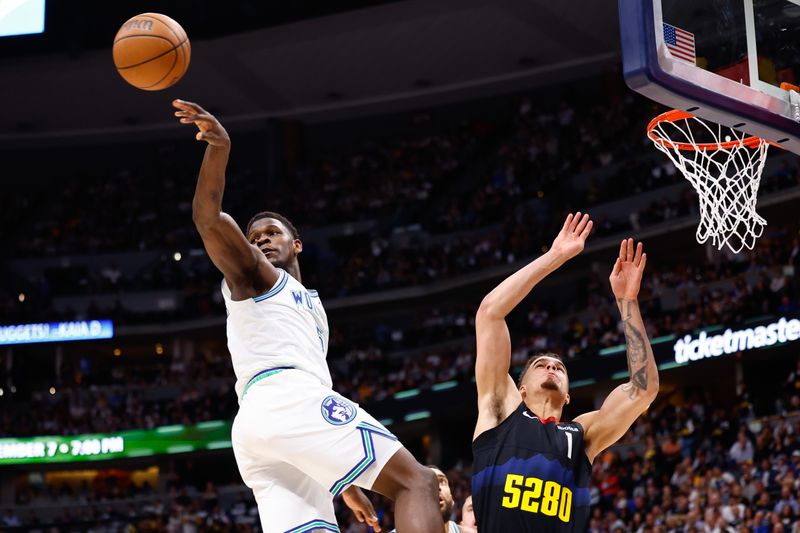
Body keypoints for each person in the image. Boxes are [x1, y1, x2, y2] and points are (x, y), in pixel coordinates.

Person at [174, 99, 442, 533]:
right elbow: (208, 219)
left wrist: (338, 476)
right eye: (253, 236)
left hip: (266, 428)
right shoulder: (255, 277)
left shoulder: (310, 302)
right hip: (285, 398)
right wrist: (219, 149)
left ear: (297, 245)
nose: (260, 241)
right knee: (419, 482)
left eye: (271, 233)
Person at [471, 213, 658, 532]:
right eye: (539, 364)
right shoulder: (501, 411)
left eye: (558, 366)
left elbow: (643, 390)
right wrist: (555, 256)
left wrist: (627, 303)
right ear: (522, 389)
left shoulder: (581, 435)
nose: (552, 366)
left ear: (569, 395)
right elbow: (490, 314)